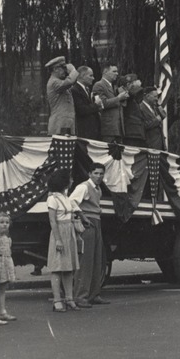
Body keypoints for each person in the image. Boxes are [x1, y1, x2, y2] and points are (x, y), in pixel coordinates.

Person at [69, 162, 109, 307]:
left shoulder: (97, 190)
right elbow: (71, 202)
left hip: (96, 222)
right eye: (96, 173)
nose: (98, 176)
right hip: (87, 224)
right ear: (90, 174)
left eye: (101, 173)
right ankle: (80, 296)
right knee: (85, 261)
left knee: (97, 260)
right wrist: (83, 216)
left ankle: (94, 294)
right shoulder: (83, 187)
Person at [45, 168, 82, 312]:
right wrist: (58, 240)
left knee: (68, 268)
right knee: (57, 268)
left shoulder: (66, 197)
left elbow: (71, 215)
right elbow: (53, 221)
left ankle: (69, 298)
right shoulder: (52, 198)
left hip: (69, 232)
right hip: (59, 233)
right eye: (69, 179)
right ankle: (57, 300)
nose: (72, 181)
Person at [0, 212, 18, 322]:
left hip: (5, 262)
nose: (5, 224)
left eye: (7, 222)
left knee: (2, 288)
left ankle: (2, 311)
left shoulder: (8, 238)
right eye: (1, 222)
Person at [44, 56, 80, 135]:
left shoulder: (60, 81)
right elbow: (70, 81)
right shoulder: (54, 82)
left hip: (66, 124)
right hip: (59, 124)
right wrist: (73, 70)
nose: (65, 70)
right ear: (55, 69)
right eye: (63, 68)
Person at [94, 65, 128, 144]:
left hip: (118, 128)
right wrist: (119, 98)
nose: (117, 73)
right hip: (108, 129)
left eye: (117, 71)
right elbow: (102, 104)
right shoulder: (99, 85)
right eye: (114, 71)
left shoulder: (113, 86)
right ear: (105, 72)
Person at [70, 66, 102, 141]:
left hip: (92, 130)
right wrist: (96, 105)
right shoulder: (75, 90)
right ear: (82, 76)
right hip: (84, 131)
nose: (93, 78)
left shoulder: (87, 89)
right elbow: (81, 110)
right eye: (90, 75)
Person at [120, 76, 148, 147]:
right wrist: (137, 86)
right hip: (131, 132)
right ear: (128, 84)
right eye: (133, 84)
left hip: (138, 132)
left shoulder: (133, 98)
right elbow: (131, 93)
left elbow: (139, 97)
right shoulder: (122, 92)